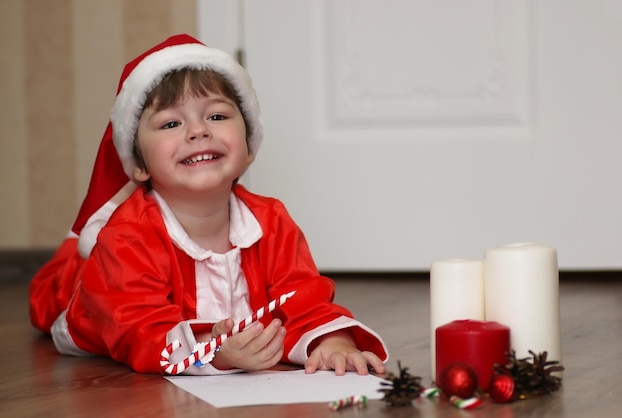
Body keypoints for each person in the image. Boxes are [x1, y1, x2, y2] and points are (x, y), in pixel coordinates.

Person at [34, 34, 388, 376]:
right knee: (49, 295)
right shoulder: (126, 237)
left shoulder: (272, 220)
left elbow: (302, 299)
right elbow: (138, 328)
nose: (198, 131)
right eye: (171, 123)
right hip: (91, 301)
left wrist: (333, 341)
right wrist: (212, 350)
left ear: (248, 146)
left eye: (216, 116)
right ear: (138, 165)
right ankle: (74, 249)